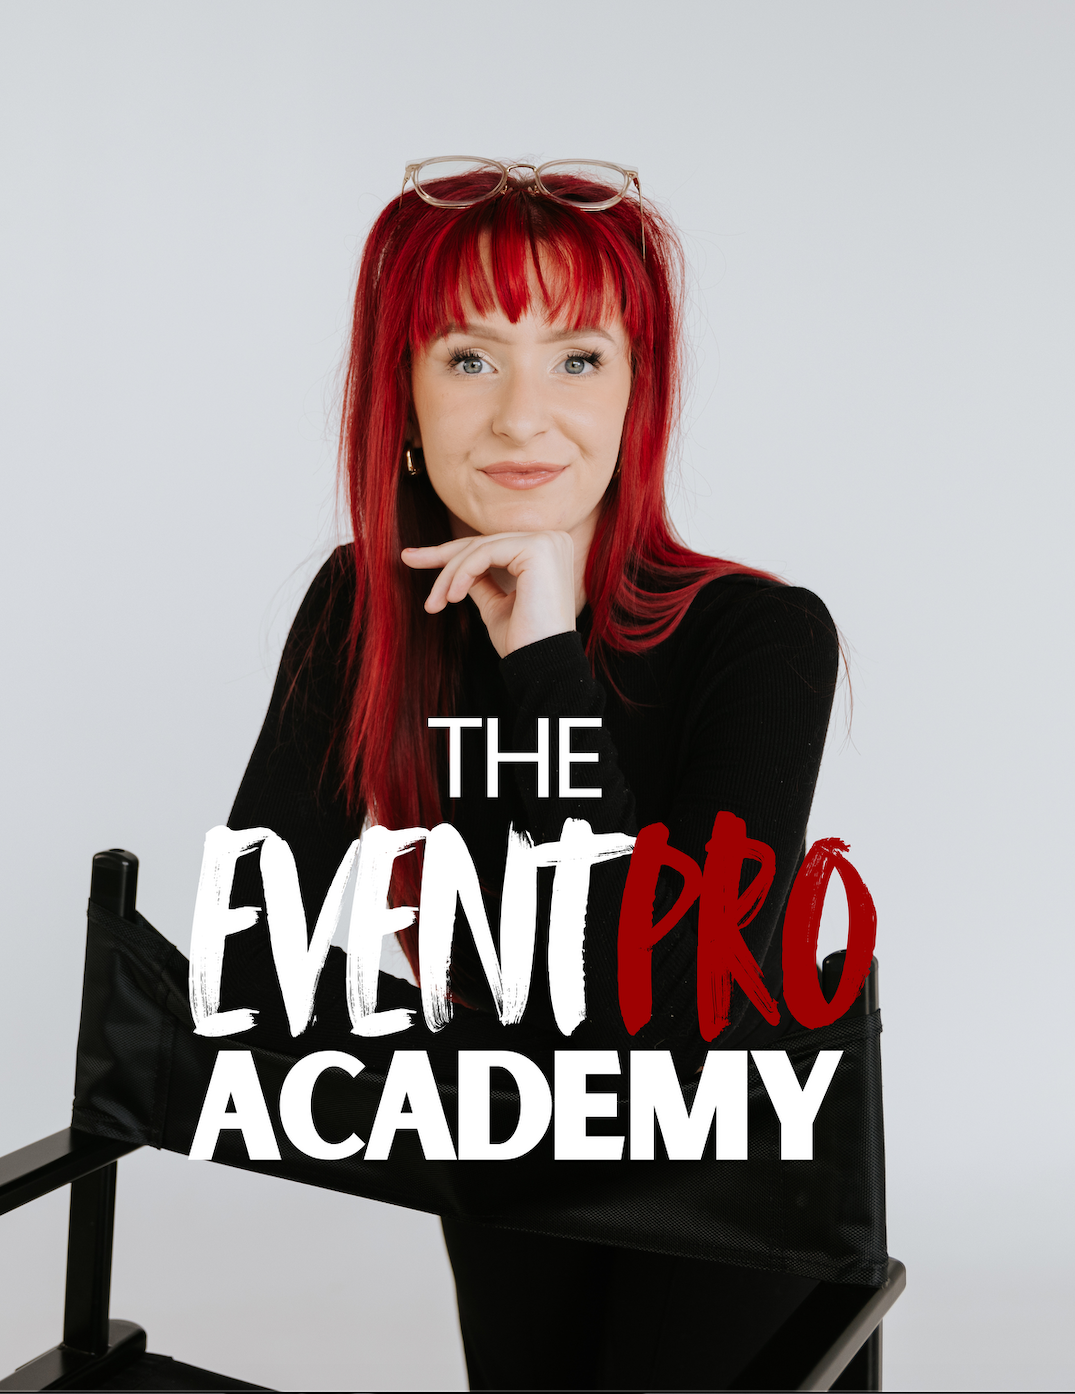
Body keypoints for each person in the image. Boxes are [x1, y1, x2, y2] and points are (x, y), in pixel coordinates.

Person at [224, 158, 841, 1390]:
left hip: (731, 1183)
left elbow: (657, 1031)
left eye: (578, 358)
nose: (521, 416)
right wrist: (482, 1066)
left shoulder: (764, 638)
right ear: (400, 396)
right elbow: (254, 970)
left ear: (636, 395)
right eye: (469, 358)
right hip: (511, 1166)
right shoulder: (362, 610)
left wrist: (545, 656)